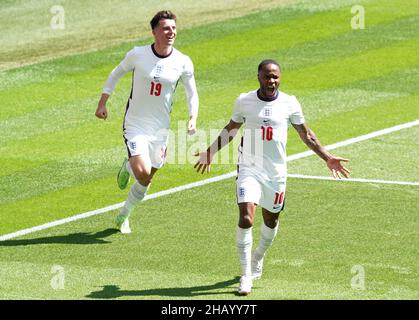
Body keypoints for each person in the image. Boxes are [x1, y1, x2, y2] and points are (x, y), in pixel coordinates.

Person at [194, 59, 350, 295]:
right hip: (249, 167)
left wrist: (326, 157)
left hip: (276, 173)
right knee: (246, 218)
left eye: (275, 76)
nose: (272, 81)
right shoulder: (244, 101)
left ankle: (258, 256)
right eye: (267, 76)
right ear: (258, 76)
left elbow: (306, 134)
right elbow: (231, 129)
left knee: (271, 220)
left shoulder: (290, 103)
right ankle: (246, 275)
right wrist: (210, 152)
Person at [95, 10, 199, 234]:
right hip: (135, 125)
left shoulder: (183, 62)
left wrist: (193, 119)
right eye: (165, 28)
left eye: (173, 28)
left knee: (147, 178)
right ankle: (131, 165)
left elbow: (192, 94)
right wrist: (103, 103)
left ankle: (124, 214)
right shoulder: (138, 54)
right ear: (154, 32)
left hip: (160, 129)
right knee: (142, 172)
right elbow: (116, 73)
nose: (171, 32)